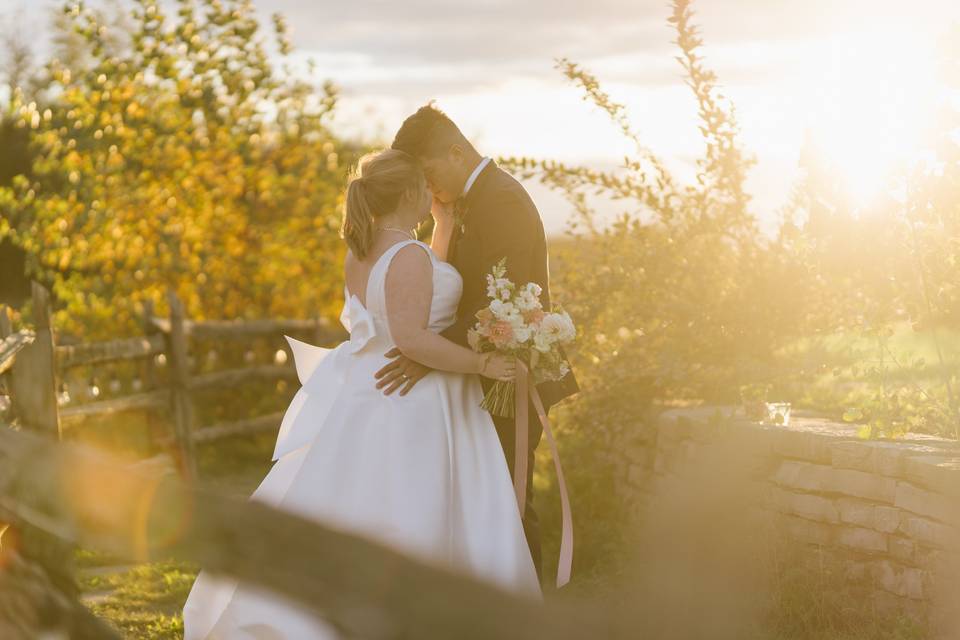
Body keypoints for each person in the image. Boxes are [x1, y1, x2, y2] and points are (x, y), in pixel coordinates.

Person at [181, 148, 541, 639]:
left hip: (367, 390)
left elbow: (405, 300)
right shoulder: (408, 256)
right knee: (414, 507)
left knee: (357, 498)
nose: (432, 198)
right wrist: (482, 362)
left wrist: (442, 225)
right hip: (416, 397)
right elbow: (413, 337)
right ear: (410, 193)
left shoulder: (363, 251)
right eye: (425, 190)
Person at [378, 104, 580, 581]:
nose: (427, 190)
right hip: (480, 368)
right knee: (484, 503)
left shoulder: (502, 199)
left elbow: (504, 298)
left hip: (511, 372)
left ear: (455, 151)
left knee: (508, 501)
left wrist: (424, 351)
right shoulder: (465, 201)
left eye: (428, 174)